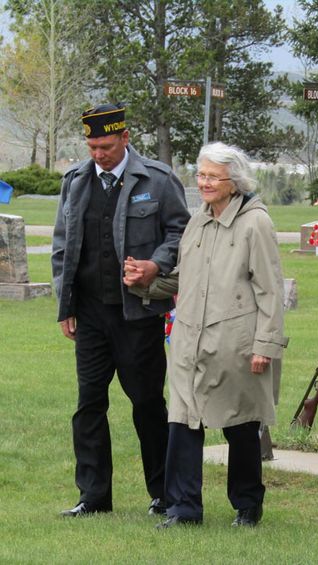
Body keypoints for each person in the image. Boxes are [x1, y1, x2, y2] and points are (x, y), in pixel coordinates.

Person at [124, 141, 288, 529]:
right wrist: (145, 282)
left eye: (214, 176)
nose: (205, 183)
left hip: (234, 344)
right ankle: (184, 510)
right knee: (182, 423)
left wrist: (265, 345)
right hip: (188, 341)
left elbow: (270, 289)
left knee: (240, 424)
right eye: (201, 175)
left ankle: (247, 505)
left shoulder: (255, 223)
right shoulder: (197, 221)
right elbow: (185, 277)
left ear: (235, 182)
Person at [51, 103, 190, 517]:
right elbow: (62, 246)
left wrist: (156, 264)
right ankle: (93, 497)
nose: (99, 154)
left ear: (125, 138)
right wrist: (66, 305)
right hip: (90, 315)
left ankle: (164, 493)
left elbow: (181, 231)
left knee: (147, 403)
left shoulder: (159, 180)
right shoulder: (75, 181)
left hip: (139, 315)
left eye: (106, 146)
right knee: (89, 404)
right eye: (92, 146)